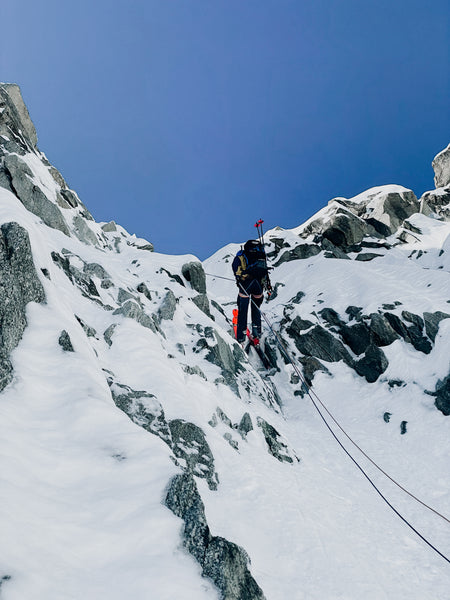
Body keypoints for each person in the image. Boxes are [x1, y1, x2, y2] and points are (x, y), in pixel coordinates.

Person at [232, 239, 269, 343]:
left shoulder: (240, 256)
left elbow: (236, 270)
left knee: (243, 310)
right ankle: (257, 333)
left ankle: (241, 336)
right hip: (258, 285)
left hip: (246, 284)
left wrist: (240, 278)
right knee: (256, 309)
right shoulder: (261, 255)